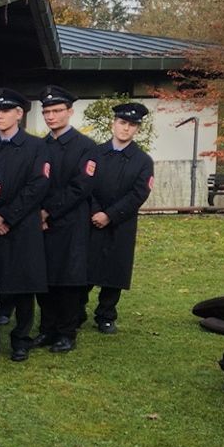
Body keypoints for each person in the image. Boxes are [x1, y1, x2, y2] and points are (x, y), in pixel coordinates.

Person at [0, 87, 48, 360]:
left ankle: (21, 338)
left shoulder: (36, 147)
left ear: (19, 114)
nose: (0, 115)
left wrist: (6, 216)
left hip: (22, 226)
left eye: (6, 111)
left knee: (23, 286)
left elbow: (37, 186)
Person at [82, 103, 156, 334]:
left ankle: (105, 315)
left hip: (120, 223)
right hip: (90, 220)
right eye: (122, 123)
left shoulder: (143, 161)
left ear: (137, 130)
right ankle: (75, 311)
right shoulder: (94, 153)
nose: (125, 128)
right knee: (84, 269)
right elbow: (85, 185)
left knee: (114, 271)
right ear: (113, 124)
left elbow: (139, 193)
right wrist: (95, 211)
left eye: (131, 125)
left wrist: (110, 215)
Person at [32, 86, 95, 353]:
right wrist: (37, 213)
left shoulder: (85, 147)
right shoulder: (39, 146)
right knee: (43, 280)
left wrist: (49, 211)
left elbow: (80, 187)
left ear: (70, 112)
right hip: (40, 223)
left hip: (70, 222)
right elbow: (34, 183)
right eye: (46, 111)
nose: (51, 116)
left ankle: (66, 332)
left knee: (68, 280)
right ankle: (47, 329)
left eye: (57, 111)